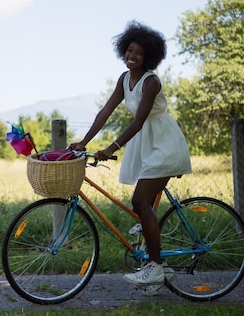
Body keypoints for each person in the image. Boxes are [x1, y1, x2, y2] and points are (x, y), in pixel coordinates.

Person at [70, 20, 192, 289]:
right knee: (143, 206)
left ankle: (156, 268)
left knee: (139, 201)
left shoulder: (151, 82)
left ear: (148, 57)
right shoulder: (124, 79)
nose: (131, 56)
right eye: (129, 50)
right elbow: (106, 111)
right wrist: (84, 141)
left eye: (138, 52)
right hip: (146, 145)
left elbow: (138, 122)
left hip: (164, 144)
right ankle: (161, 268)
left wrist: (111, 147)